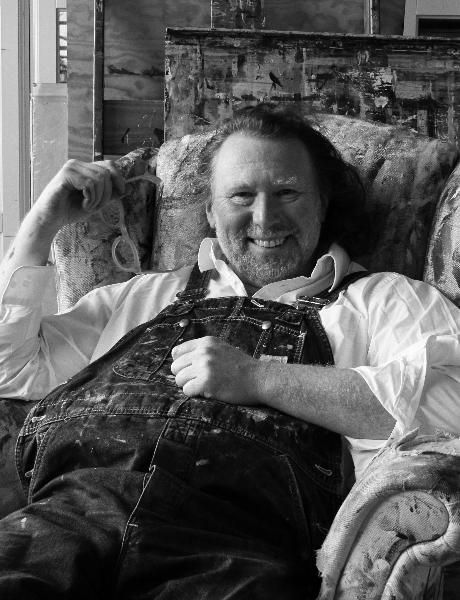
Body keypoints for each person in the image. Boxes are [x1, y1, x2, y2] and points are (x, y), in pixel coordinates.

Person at [0, 104, 458, 598]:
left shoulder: (383, 300)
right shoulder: (144, 295)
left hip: (233, 552)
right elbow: (13, 370)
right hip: (61, 526)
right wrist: (42, 224)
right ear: (210, 211)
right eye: (241, 195)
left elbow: (450, 406)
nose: (265, 217)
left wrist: (258, 378)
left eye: (287, 192)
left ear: (322, 204)